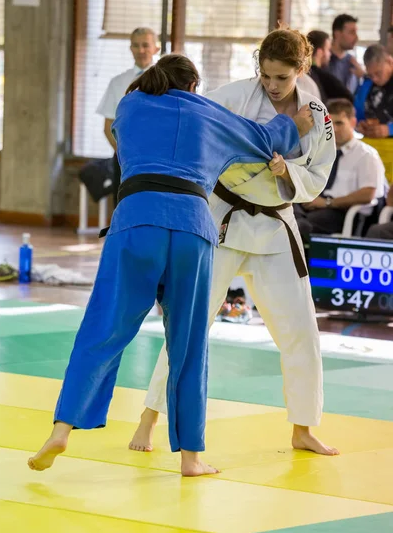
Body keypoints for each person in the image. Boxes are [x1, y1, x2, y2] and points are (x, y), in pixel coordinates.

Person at [28, 54, 312, 477]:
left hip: (136, 220)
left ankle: (62, 429)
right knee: (189, 341)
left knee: (102, 330)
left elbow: (123, 144)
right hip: (192, 227)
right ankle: (192, 458)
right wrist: (296, 126)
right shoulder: (207, 113)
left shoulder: (130, 106)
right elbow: (263, 139)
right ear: (194, 85)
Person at [130, 27, 340, 458]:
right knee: (188, 327)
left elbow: (320, 175)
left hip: (276, 225)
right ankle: (148, 417)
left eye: (282, 77)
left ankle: (302, 428)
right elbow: (199, 143)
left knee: (301, 331)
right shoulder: (230, 97)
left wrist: (289, 175)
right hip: (223, 220)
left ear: (302, 70)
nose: (272, 85)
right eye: (266, 75)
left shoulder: (319, 116)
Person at [295, 98, 385, 239]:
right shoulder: (319, 150)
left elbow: (368, 194)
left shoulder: (366, 155)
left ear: (353, 123)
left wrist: (326, 203)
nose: (334, 129)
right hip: (313, 205)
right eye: (329, 123)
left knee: (304, 224)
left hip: (341, 212)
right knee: (285, 210)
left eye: (339, 123)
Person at [96, 27, 160, 206]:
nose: (141, 50)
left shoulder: (167, 82)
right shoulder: (118, 83)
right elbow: (108, 125)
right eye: (136, 45)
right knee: (123, 205)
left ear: (156, 48)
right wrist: (124, 154)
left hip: (157, 159)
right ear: (130, 48)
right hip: (124, 160)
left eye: (145, 45)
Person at [355, 44, 393, 139]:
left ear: (390, 62)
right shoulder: (366, 84)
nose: (375, 79)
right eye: (371, 75)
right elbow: (357, 113)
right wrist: (361, 125)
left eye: (378, 73)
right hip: (371, 146)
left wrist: (389, 129)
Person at [307, 30, 353, 103]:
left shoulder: (299, 74)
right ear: (320, 52)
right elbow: (349, 97)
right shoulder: (323, 77)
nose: (330, 54)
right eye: (328, 50)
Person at [327, 14, 364, 94]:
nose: (356, 37)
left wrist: (363, 77)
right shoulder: (324, 59)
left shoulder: (353, 63)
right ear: (337, 34)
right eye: (352, 32)